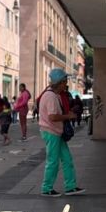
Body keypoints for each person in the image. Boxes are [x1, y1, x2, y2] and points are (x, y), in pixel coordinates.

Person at [38, 69, 84, 197]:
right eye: (65, 81)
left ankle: (71, 187)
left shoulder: (54, 95)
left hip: (56, 132)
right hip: (51, 132)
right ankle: (46, 188)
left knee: (67, 159)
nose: (66, 84)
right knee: (53, 161)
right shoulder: (51, 96)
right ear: (59, 82)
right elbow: (52, 117)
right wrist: (68, 116)